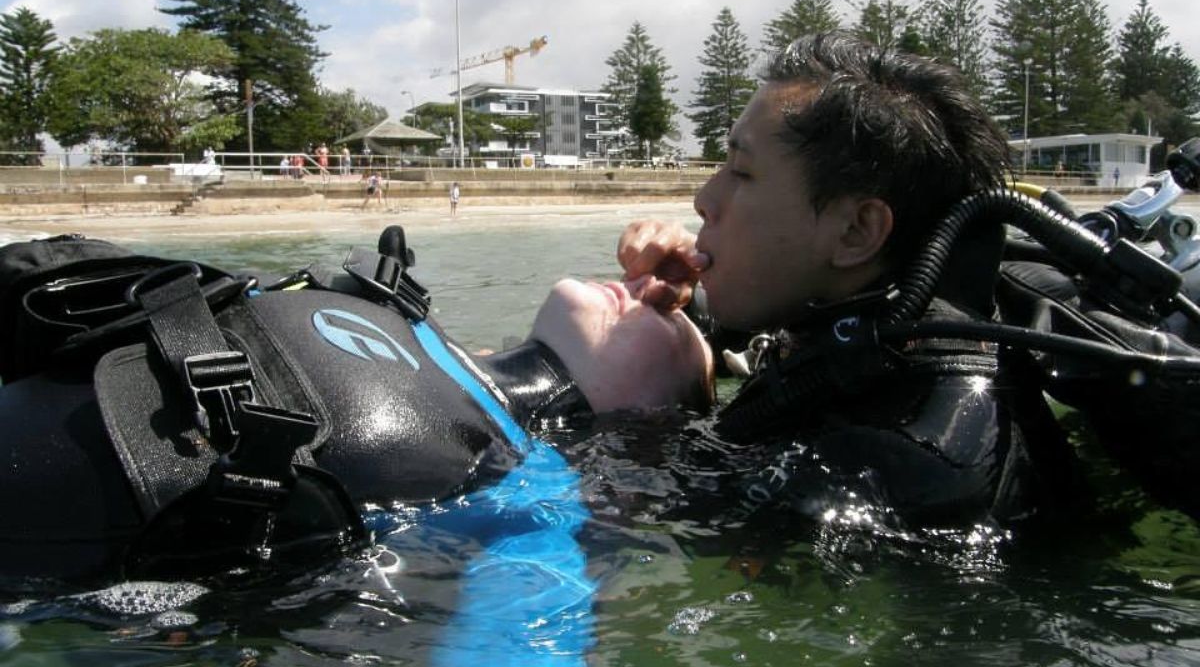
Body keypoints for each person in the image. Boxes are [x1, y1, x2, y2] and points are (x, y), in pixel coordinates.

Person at [0, 227, 713, 584]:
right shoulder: (408, 314)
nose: (651, 288)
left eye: (681, 320)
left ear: (659, 411)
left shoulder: (526, 502)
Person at [617, 31, 1080, 528]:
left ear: (857, 232)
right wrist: (678, 302)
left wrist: (586, 391)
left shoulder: (892, 464)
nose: (703, 199)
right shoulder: (885, 326)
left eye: (741, 172)